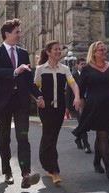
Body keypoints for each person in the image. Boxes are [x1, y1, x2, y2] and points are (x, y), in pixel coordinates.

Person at [0, 18, 44, 189]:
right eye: (17, 32)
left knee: (23, 137)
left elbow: (28, 80)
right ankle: (7, 171)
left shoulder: (23, 53)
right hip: (2, 102)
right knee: (4, 138)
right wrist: (15, 71)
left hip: (20, 101)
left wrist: (38, 96)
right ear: (7, 34)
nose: (20, 34)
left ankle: (26, 174)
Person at [72, 41, 109, 179]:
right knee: (103, 134)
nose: (104, 52)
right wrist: (80, 104)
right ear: (94, 52)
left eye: (105, 50)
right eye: (101, 50)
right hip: (93, 106)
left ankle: (96, 162)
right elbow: (81, 89)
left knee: (102, 134)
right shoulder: (87, 69)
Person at [34, 40, 81, 184]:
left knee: (51, 137)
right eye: (55, 49)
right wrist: (39, 98)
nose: (59, 52)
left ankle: (46, 162)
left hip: (60, 108)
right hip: (45, 108)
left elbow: (73, 84)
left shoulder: (64, 69)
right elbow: (35, 87)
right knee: (49, 135)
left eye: (59, 49)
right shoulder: (41, 69)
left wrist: (77, 97)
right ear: (48, 52)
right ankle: (55, 171)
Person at [65, 58, 92, 153]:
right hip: (75, 105)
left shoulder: (89, 76)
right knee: (83, 124)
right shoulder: (73, 77)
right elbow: (68, 93)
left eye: (85, 64)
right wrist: (68, 107)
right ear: (77, 65)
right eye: (82, 64)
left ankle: (77, 137)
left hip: (87, 104)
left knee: (85, 123)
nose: (84, 65)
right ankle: (86, 145)